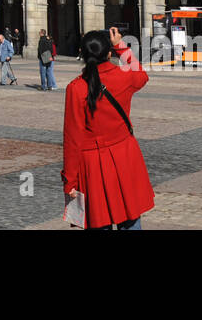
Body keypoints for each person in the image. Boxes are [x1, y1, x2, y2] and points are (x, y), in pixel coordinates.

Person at [62, 27, 154, 230]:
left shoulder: (76, 88)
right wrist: (121, 46)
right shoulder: (124, 77)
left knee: (99, 222)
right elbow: (142, 74)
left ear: (81, 53)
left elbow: (72, 139)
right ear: (109, 53)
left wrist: (69, 180)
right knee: (130, 219)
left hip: (93, 165)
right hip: (125, 157)